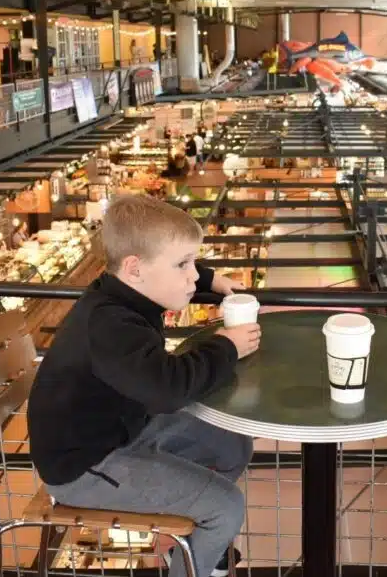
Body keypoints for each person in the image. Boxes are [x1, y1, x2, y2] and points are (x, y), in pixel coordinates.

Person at [27, 195, 254, 577]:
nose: (192, 276)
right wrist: (227, 346)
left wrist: (212, 280)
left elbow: (164, 279)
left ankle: (181, 539)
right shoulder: (111, 326)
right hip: (84, 464)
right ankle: (193, 561)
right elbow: (170, 389)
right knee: (226, 508)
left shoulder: (117, 294)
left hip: (122, 430)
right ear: (133, 268)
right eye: (184, 264)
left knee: (233, 444)